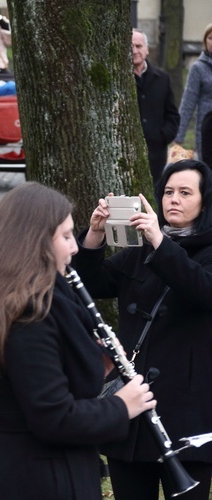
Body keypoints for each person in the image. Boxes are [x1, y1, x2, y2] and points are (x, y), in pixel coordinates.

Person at [0, 182, 156, 499]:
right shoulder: (29, 313)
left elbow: (22, 385)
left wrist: (97, 364)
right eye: (65, 236)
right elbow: (54, 418)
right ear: (34, 244)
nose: (74, 248)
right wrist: (121, 406)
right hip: (24, 477)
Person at [70, 159, 212, 499]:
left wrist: (161, 242)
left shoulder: (200, 250)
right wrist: (94, 235)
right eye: (167, 192)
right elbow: (90, 284)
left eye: (184, 193)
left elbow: (201, 290)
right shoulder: (141, 248)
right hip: (134, 409)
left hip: (188, 412)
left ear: (204, 201)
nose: (173, 200)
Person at [132, 29, 180, 186]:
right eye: (130, 46)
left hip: (156, 153)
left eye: (138, 46)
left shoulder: (162, 79)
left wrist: (163, 136)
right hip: (128, 151)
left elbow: (172, 114)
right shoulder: (118, 80)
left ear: (146, 49)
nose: (134, 51)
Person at [174, 24, 212, 165]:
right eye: (210, 38)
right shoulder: (198, 68)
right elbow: (188, 103)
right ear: (205, 41)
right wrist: (179, 136)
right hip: (207, 132)